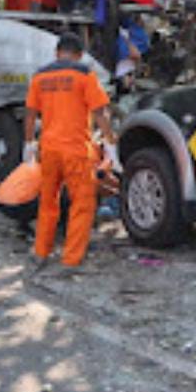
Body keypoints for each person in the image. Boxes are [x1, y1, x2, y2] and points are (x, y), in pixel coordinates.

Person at [22, 31, 119, 273]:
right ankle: (71, 260)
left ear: (57, 52)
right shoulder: (84, 74)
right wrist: (110, 143)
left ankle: (41, 253)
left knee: (47, 202)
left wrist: (28, 143)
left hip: (49, 150)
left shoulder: (39, 77)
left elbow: (30, 113)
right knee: (82, 204)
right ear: (79, 54)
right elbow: (100, 112)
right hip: (76, 151)